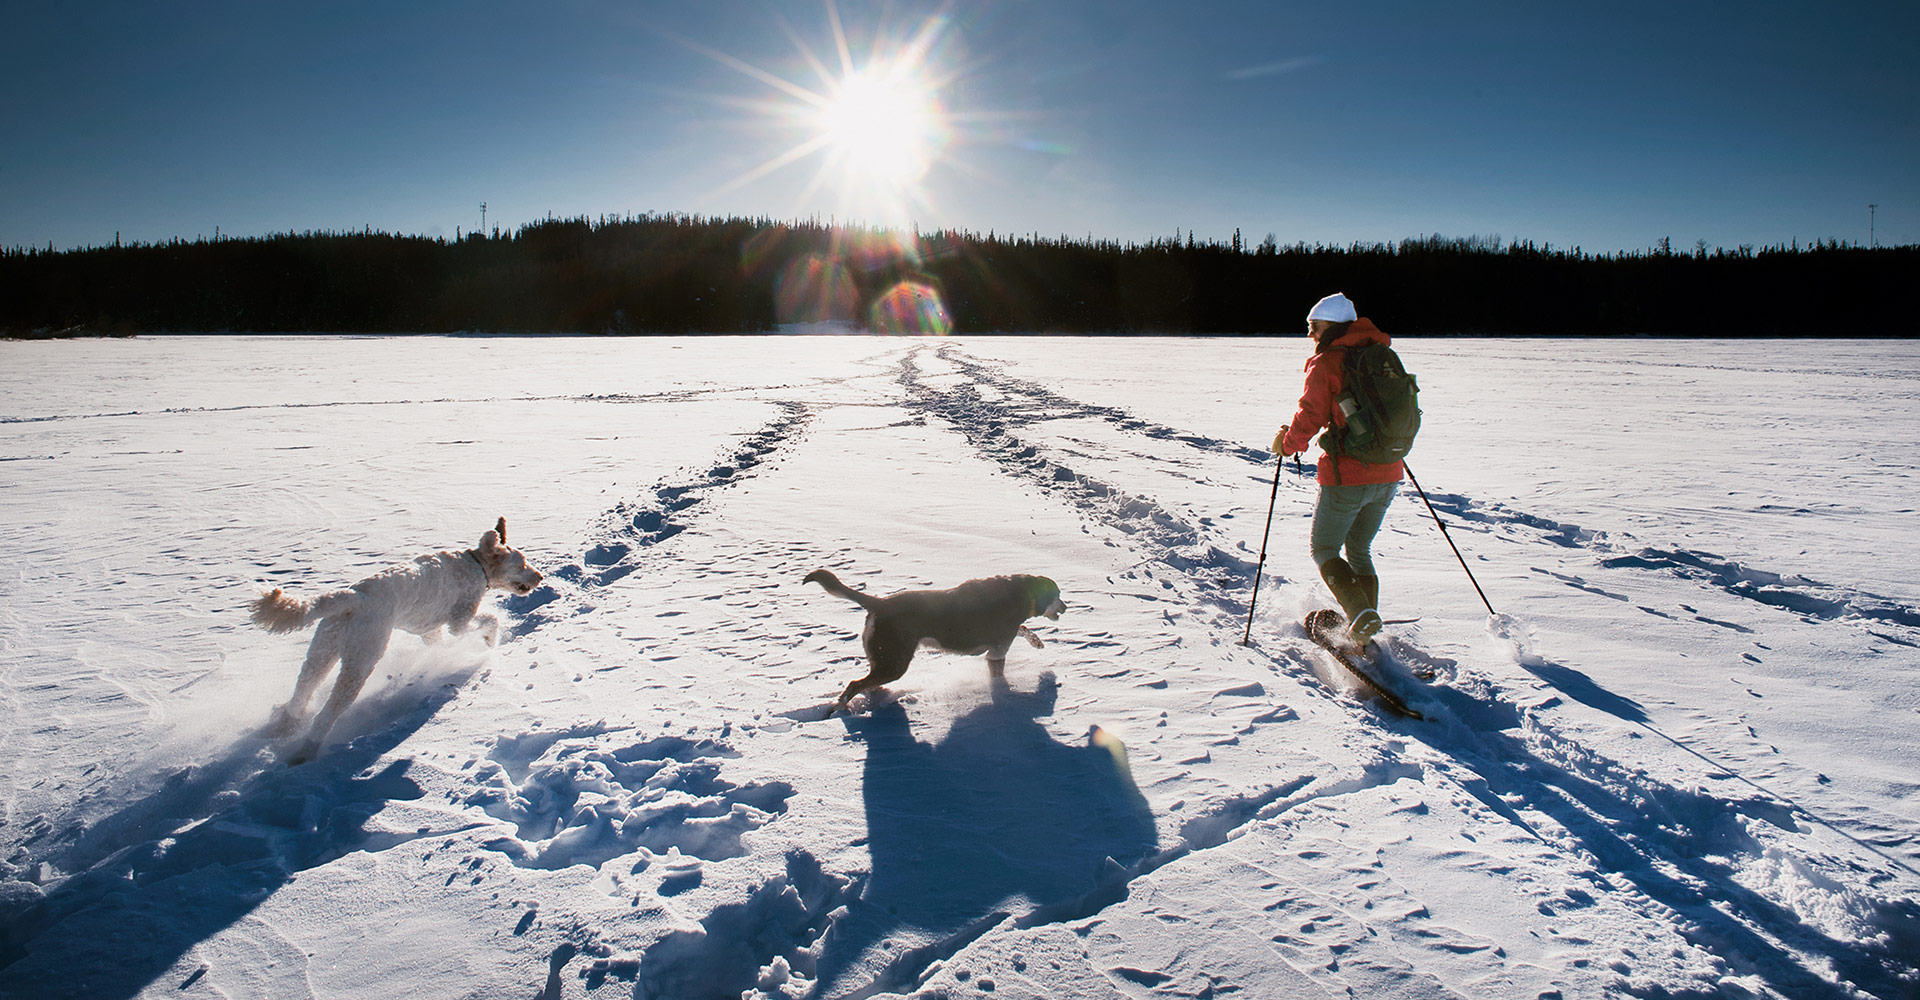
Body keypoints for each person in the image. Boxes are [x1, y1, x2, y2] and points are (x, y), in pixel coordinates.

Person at [1272, 292, 1403, 644]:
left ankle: (1361, 618)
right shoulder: (1382, 355)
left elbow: (1310, 416)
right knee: (1359, 549)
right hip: (1389, 471)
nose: (1310, 335)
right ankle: (1365, 626)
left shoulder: (1328, 361)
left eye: (1313, 326)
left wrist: (1287, 445)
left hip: (1349, 475)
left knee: (1325, 549)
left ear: (1330, 325)